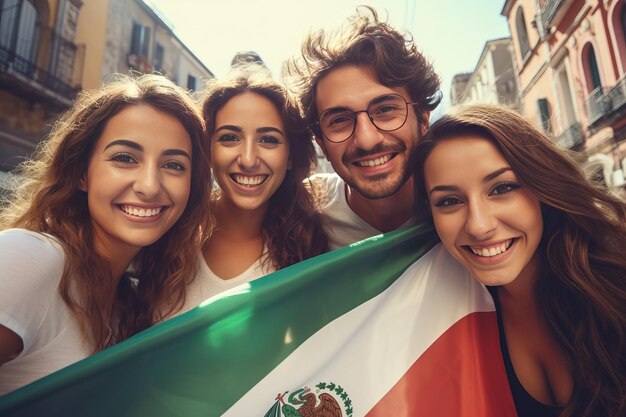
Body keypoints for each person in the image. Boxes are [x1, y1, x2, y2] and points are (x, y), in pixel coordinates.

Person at [0, 74, 212, 395]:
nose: (150, 186)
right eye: (125, 158)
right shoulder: (30, 258)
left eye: (174, 165)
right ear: (83, 172)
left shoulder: (130, 299)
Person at [414, 104, 626, 417]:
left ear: (542, 188)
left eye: (502, 188)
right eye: (449, 201)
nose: (479, 225)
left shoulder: (616, 283)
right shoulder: (450, 324)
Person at [284, 6, 441, 249]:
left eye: (386, 109)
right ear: (321, 143)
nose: (367, 140)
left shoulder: (465, 205)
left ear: (422, 120)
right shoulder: (300, 212)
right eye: (339, 120)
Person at [177, 64, 327, 309]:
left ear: (290, 156)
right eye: (229, 138)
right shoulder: (169, 231)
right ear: (207, 149)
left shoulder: (312, 243)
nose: (248, 159)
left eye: (268, 140)